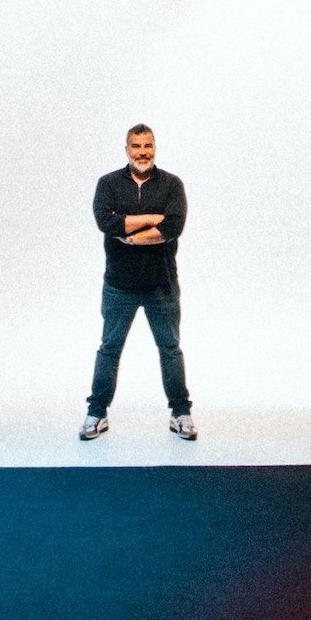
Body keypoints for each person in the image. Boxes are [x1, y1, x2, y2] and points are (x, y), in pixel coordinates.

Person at [82, 124, 192, 440]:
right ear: (127, 149)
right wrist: (152, 218)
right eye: (136, 146)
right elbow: (106, 222)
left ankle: (181, 412)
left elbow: (174, 225)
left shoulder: (172, 184)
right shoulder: (108, 184)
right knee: (109, 348)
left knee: (170, 348)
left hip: (162, 284)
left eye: (147, 146)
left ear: (154, 147)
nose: (142, 152)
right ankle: (96, 412)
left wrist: (130, 236)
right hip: (119, 284)